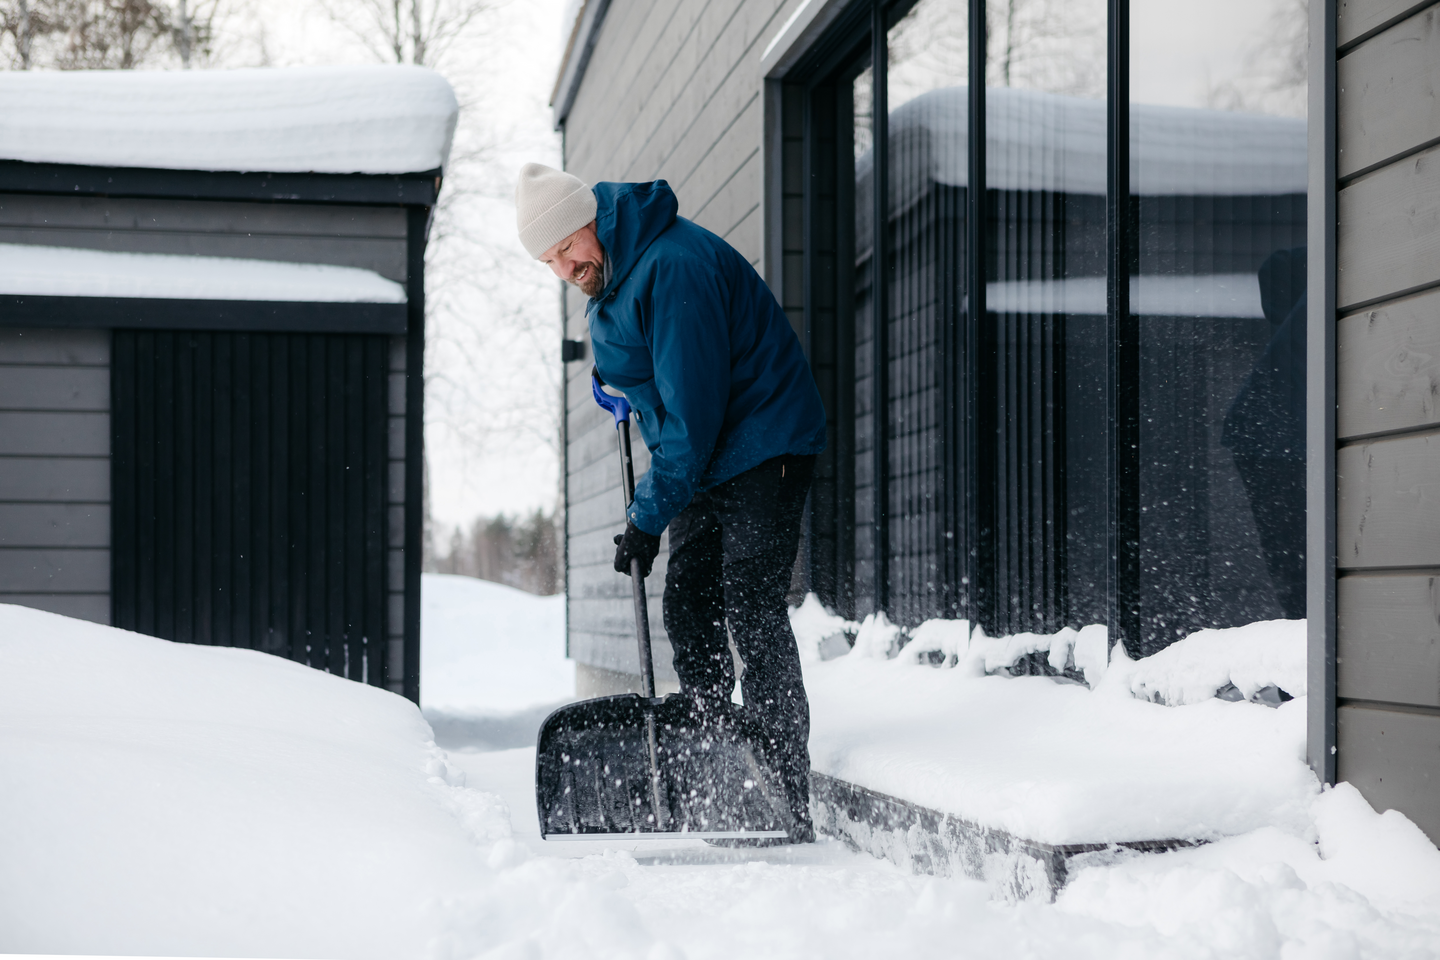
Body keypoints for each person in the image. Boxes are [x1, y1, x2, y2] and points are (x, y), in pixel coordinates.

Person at [515, 162, 828, 841]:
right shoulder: (616, 272)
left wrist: (645, 517)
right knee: (688, 602)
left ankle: (781, 783)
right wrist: (617, 379)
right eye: (548, 259)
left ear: (592, 219)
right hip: (712, 452)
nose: (563, 265)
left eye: (566, 245)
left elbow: (693, 417)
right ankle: (717, 753)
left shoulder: (672, 266)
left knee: (749, 603)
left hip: (763, 442)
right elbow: (654, 366)